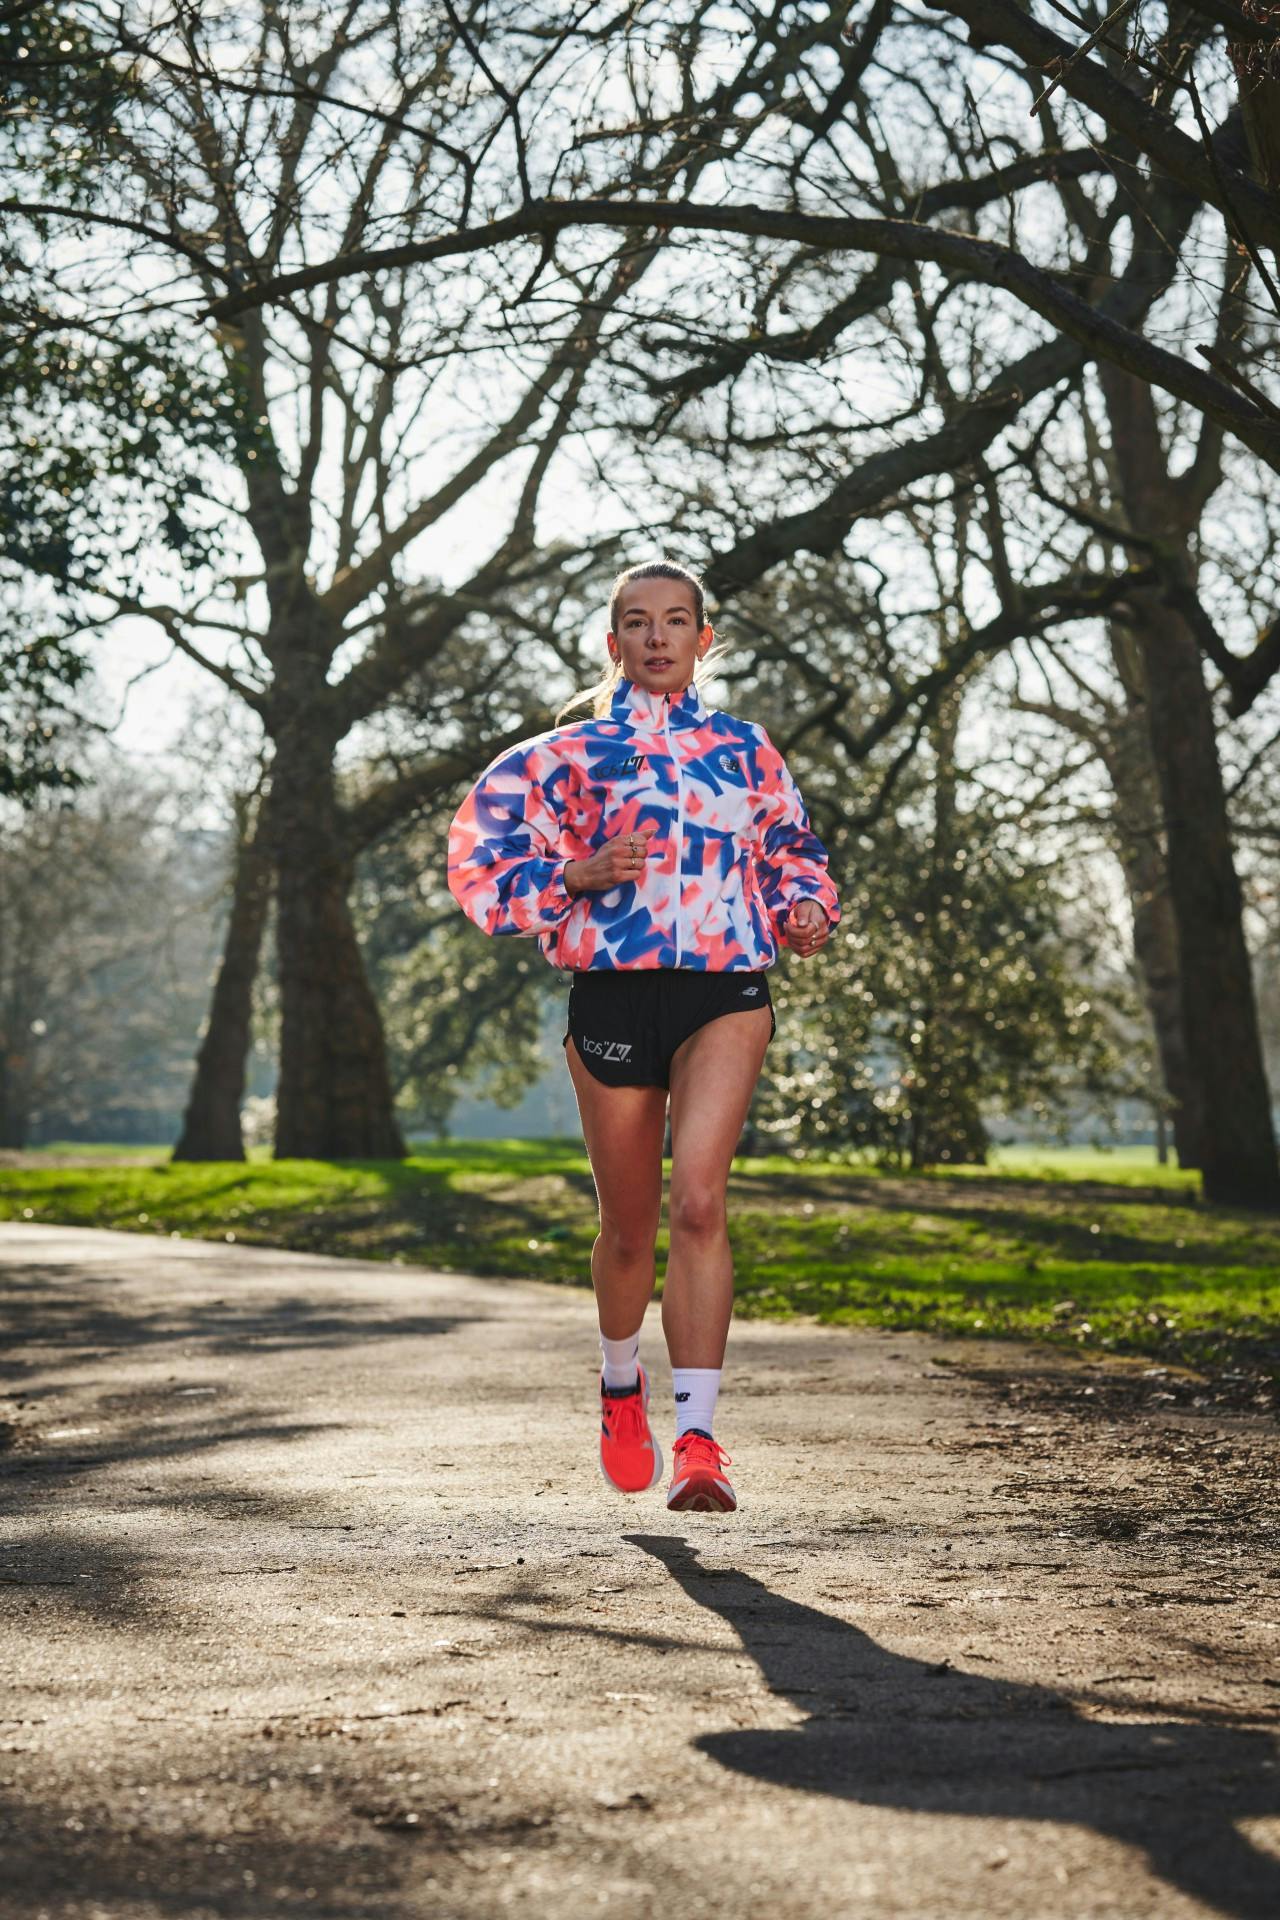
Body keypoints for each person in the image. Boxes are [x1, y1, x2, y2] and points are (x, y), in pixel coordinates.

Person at [447, 560, 838, 1513]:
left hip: (726, 992)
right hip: (616, 994)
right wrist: (574, 878)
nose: (656, 636)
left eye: (675, 621)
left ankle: (701, 1439)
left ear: (704, 640)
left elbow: (795, 849)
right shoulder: (563, 757)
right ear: (614, 641)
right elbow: (478, 863)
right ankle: (622, 1392)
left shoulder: (748, 750)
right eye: (636, 621)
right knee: (629, 1232)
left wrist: (805, 908)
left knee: (700, 1203)